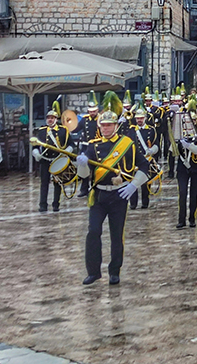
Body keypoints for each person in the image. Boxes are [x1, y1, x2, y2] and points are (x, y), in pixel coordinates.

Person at [74, 92, 154, 285]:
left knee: (117, 235)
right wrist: (82, 164)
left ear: (116, 126)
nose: (105, 128)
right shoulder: (92, 146)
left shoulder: (127, 144)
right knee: (93, 232)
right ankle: (93, 271)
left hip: (119, 195)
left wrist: (134, 185)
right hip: (99, 195)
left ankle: (114, 270)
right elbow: (84, 177)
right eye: (103, 125)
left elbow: (144, 166)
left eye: (109, 125)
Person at [31, 102, 70, 212]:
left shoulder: (63, 131)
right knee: (44, 183)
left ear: (56, 119)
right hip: (45, 160)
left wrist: (68, 151)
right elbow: (35, 145)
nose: (50, 120)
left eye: (52, 118)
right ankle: (43, 204)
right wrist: (36, 153)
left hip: (58, 160)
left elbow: (70, 144)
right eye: (48, 118)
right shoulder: (42, 131)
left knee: (57, 183)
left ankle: (56, 204)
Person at [174, 96, 197, 228]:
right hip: (182, 168)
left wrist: (189, 146)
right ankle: (181, 220)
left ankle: (192, 218)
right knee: (182, 193)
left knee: (194, 194)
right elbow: (172, 151)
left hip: (196, 168)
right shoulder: (179, 135)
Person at [124, 105, 159, 210]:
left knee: (145, 182)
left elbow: (156, 143)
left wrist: (152, 150)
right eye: (138, 118)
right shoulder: (131, 130)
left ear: (145, 118)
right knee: (133, 181)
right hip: (134, 159)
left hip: (146, 158)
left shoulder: (151, 130)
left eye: (141, 118)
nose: (139, 120)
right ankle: (133, 203)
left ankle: (145, 202)